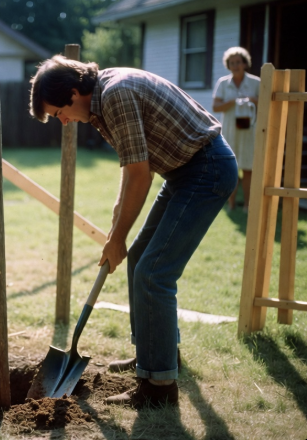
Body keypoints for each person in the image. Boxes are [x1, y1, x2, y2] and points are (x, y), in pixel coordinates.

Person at [29, 56, 238, 408]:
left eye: (59, 112)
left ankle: (159, 386)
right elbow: (131, 172)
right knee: (140, 258)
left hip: (206, 170)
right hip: (183, 171)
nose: (63, 122)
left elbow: (141, 175)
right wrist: (115, 232)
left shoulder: (115, 96)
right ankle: (155, 353)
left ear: (75, 92)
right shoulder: (99, 105)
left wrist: (117, 238)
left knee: (154, 272)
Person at [212, 47, 260, 212]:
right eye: (232, 63)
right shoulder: (223, 83)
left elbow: (267, 104)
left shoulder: (256, 82)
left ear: (244, 63)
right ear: (228, 65)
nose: (235, 66)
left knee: (248, 168)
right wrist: (232, 101)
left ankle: (247, 205)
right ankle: (231, 205)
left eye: (238, 62)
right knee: (232, 169)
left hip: (249, 130)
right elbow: (216, 107)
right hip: (230, 130)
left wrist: (253, 100)